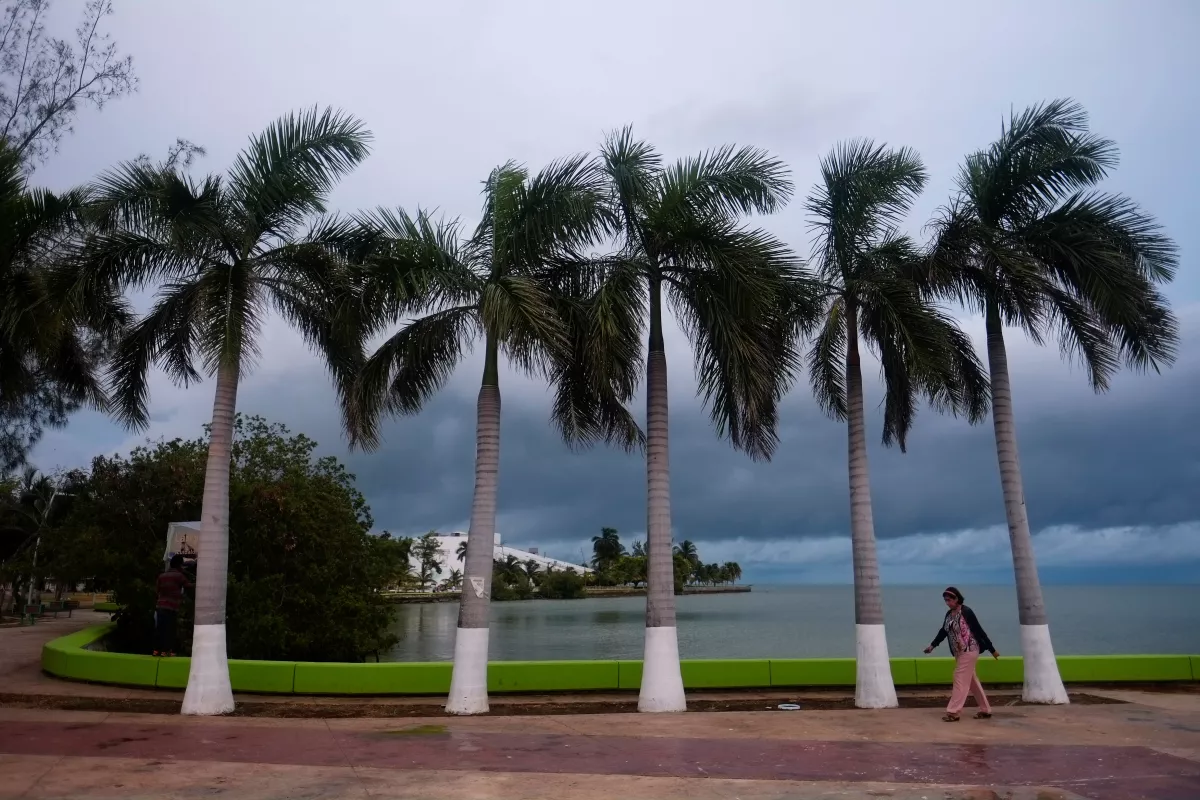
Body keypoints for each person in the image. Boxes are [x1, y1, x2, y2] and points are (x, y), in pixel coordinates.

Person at [924, 586, 998, 722]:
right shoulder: (949, 614)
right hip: (959, 652)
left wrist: (992, 649)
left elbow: (979, 630)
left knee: (959, 677)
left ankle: (953, 712)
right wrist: (933, 645)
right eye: (945, 600)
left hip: (970, 649)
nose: (947, 603)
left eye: (949, 600)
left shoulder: (966, 612)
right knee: (971, 681)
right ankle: (985, 710)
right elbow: (944, 631)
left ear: (956, 598)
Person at [154, 554, 194, 657]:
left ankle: (157, 650)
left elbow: (157, 591)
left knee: (160, 628)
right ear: (180, 565)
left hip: (160, 606)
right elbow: (188, 586)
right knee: (170, 629)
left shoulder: (162, 576)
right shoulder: (179, 576)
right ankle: (166, 651)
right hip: (171, 607)